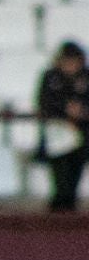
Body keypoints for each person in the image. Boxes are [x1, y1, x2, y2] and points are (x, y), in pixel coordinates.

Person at [37, 40, 89, 212]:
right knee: (61, 179)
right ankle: (59, 207)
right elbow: (44, 103)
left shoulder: (85, 78)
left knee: (75, 175)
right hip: (57, 133)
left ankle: (70, 205)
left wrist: (80, 113)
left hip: (82, 134)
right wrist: (65, 111)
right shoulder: (51, 77)